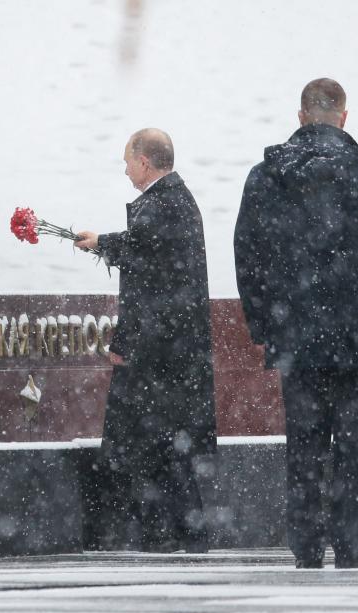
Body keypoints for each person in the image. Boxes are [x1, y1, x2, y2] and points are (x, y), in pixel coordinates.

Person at [233, 78, 358, 569]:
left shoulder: (268, 175)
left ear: (300, 116)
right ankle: (353, 545)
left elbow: (247, 255)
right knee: (355, 444)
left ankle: (307, 545)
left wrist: (262, 324)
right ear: (344, 116)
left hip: (295, 334)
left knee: (305, 442)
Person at [74, 129, 217, 553]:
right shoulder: (171, 199)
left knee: (158, 443)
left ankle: (174, 532)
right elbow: (148, 258)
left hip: (161, 352)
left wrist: (103, 243)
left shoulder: (165, 201)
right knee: (162, 444)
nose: (124, 168)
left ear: (144, 161)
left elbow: (146, 266)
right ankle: (176, 531)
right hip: (167, 348)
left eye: (126, 160)